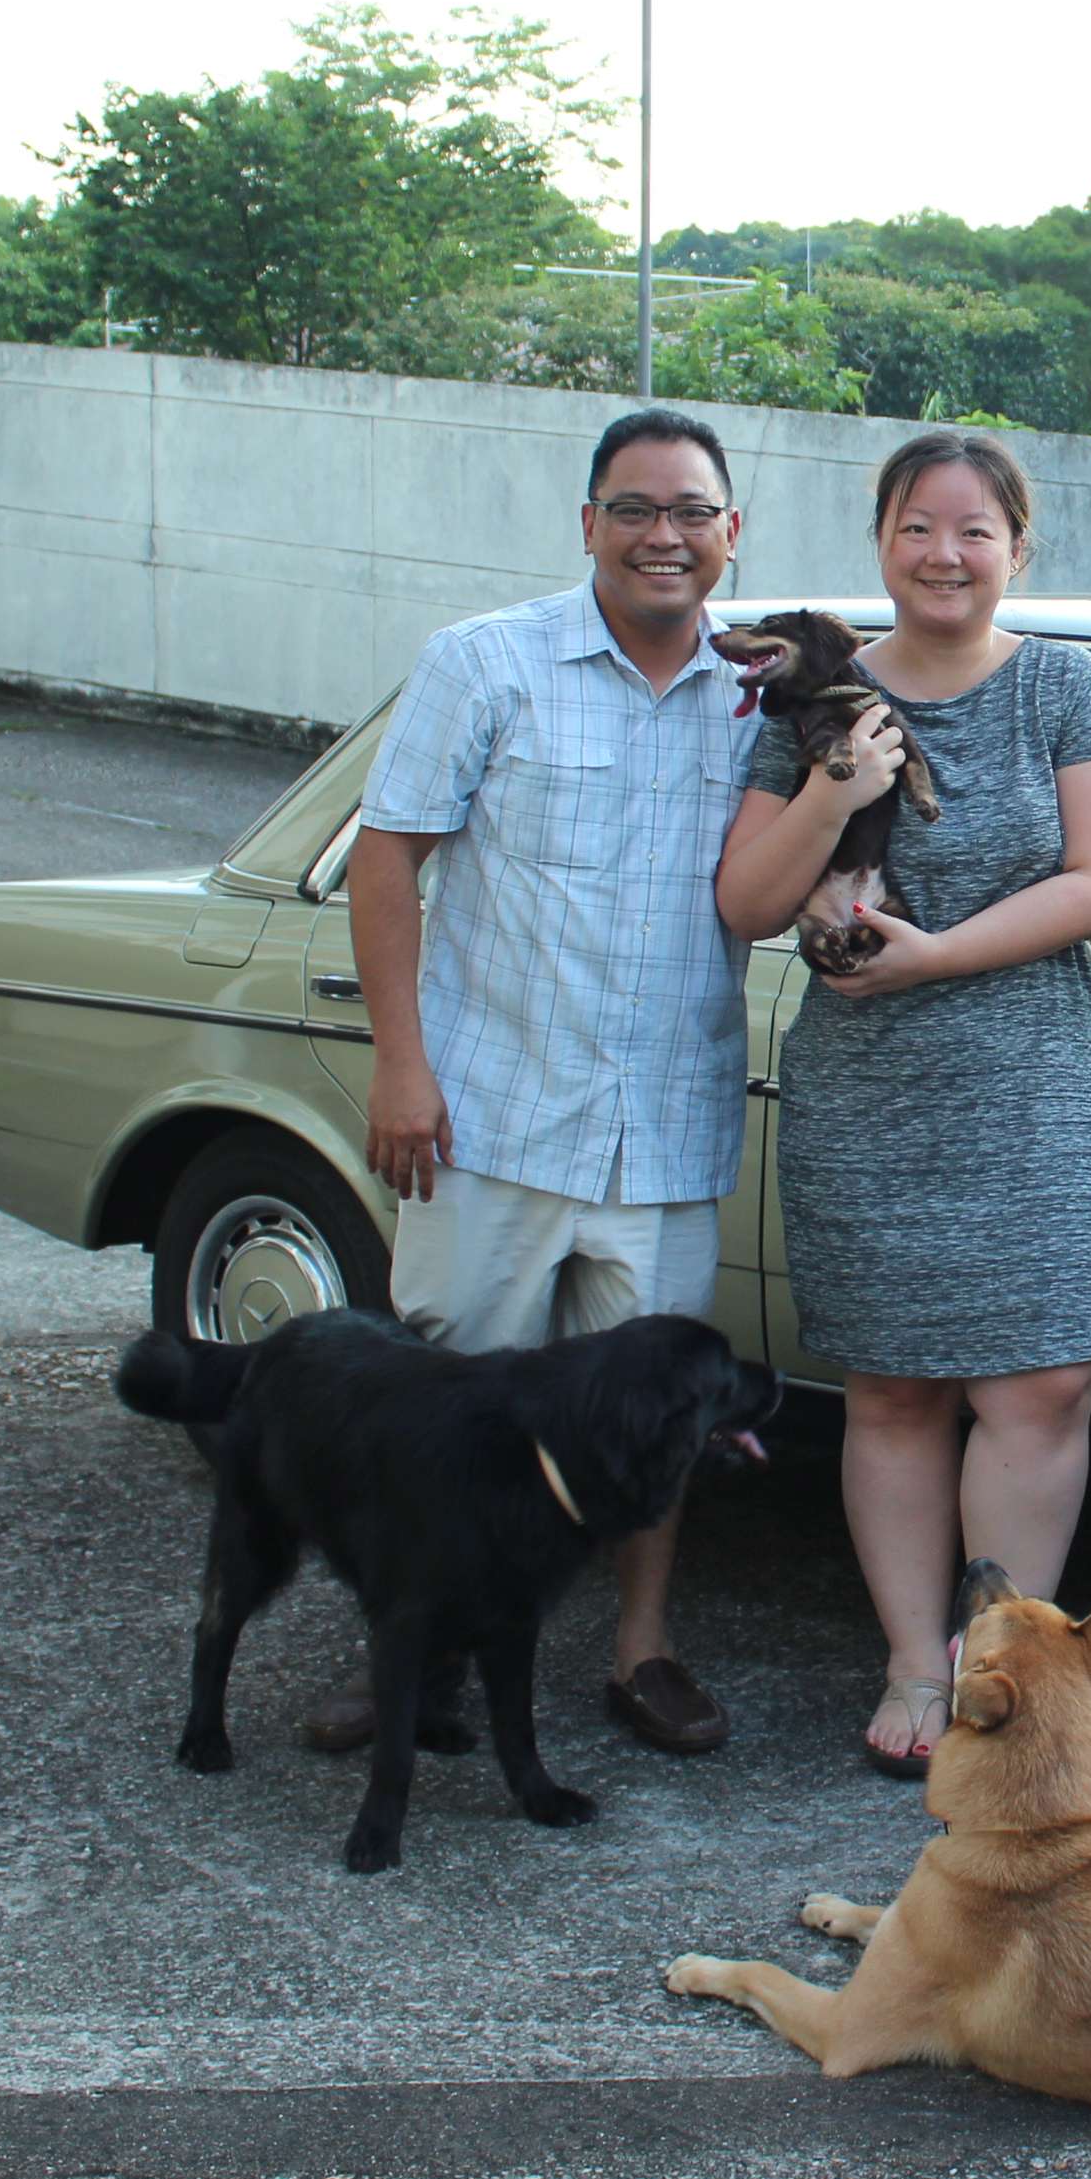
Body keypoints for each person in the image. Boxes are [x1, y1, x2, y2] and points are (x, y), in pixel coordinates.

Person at [325, 406, 756, 1759]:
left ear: (730, 536)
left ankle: (642, 1654)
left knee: (660, 1422)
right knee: (449, 1399)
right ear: (587, 526)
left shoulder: (763, 696)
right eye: (634, 508)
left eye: (691, 511)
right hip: (491, 1111)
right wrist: (403, 1063)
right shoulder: (484, 663)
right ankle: (415, 1657)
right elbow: (387, 857)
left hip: (668, 1125)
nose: (662, 536)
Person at [713, 432, 1091, 1777]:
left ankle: (995, 1664)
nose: (945, 555)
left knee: (1046, 1384)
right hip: (865, 1084)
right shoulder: (810, 699)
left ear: (1017, 549)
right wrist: (839, 786)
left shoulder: (1063, 686)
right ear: (881, 542)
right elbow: (745, 902)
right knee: (892, 1390)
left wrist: (935, 955)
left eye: (974, 531)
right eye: (917, 527)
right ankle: (913, 1659)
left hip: (1034, 1074)